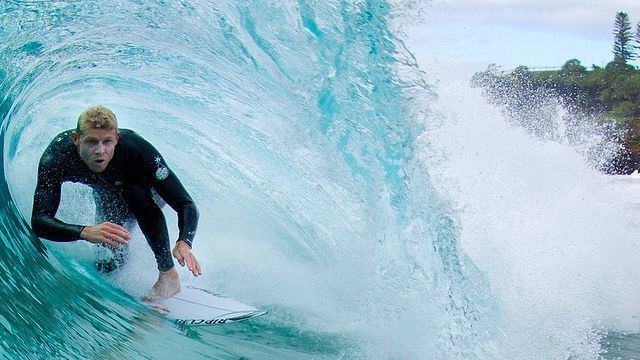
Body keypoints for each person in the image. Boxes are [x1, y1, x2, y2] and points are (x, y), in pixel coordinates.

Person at [31, 105, 201, 301]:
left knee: (136, 195)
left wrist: (184, 242)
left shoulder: (136, 150)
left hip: (146, 195)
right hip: (108, 193)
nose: (99, 151)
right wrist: (83, 231)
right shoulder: (58, 155)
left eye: (107, 142)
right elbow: (39, 221)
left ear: (117, 139)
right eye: (91, 142)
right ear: (76, 140)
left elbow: (186, 204)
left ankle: (168, 275)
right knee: (110, 259)